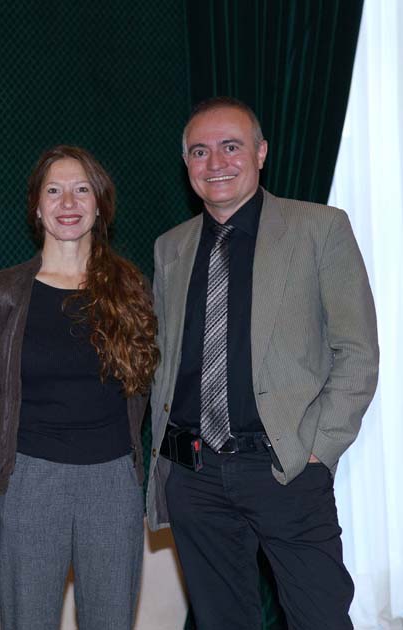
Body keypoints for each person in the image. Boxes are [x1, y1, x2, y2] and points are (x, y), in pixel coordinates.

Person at [146, 97, 379, 629]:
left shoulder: (319, 228)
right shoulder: (170, 248)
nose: (217, 163)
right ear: (187, 164)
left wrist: (317, 451)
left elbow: (358, 351)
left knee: (320, 618)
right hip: (193, 474)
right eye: (200, 152)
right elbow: (164, 359)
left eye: (231, 147)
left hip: (286, 469)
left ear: (261, 152)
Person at [0, 146, 159, 629]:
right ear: (36, 207)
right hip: (30, 480)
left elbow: (145, 384)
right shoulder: (0, 293)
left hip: (113, 479)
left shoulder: (131, 288)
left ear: (99, 204)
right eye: (54, 191)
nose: (68, 202)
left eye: (82, 190)